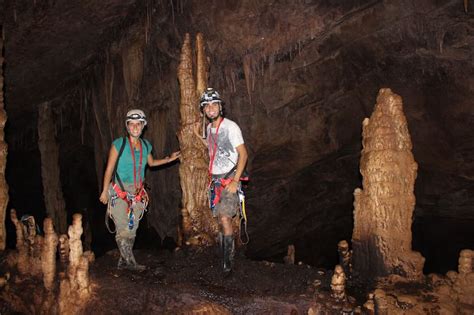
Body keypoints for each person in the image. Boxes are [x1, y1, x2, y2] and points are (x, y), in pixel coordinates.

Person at [99, 109, 180, 271]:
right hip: (119, 191)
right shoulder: (118, 144)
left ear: (143, 126)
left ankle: (123, 262)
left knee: (132, 226)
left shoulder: (146, 145)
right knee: (123, 226)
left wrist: (169, 159)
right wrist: (104, 191)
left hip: (137, 192)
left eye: (138, 124)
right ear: (127, 126)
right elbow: (109, 169)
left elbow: (151, 163)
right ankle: (130, 263)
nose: (135, 127)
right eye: (132, 124)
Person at [195, 88, 248, 275]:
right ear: (204, 110)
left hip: (229, 179)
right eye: (207, 106)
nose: (210, 109)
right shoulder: (209, 129)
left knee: (225, 217)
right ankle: (225, 254)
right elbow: (212, 147)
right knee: (219, 218)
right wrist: (197, 138)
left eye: (213, 105)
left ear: (220, 107)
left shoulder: (231, 127)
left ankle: (228, 261)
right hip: (215, 182)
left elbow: (243, 154)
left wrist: (235, 180)